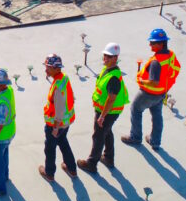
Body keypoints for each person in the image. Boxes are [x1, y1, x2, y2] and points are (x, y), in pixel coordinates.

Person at [122, 28, 181, 150]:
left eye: (152, 43)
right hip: (161, 93)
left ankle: (135, 137)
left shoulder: (156, 62)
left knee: (136, 110)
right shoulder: (170, 55)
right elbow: (175, 69)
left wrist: (141, 80)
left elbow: (154, 82)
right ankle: (155, 141)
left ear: (160, 44)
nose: (150, 45)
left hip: (148, 93)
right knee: (157, 115)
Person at [78, 43, 129, 173]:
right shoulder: (108, 70)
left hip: (108, 112)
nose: (105, 58)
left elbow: (111, 99)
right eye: (105, 55)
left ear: (115, 58)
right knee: (107, 132)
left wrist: (102, 116)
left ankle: (91, 163)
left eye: (108, 57)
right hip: (107, 111)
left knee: (98, 136)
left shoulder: (113, 78)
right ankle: (108, 158)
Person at [38, 53, 77, 181]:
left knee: (50, 148)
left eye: (48, 67)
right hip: (66, 123)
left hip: (56, 125)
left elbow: (59, 109)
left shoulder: (58, 87)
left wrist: (55, 128)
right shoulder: (64, 78)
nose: (46, 69)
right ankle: (71, 168)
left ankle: (49, 173)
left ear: (56, 69)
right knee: (63, 142)